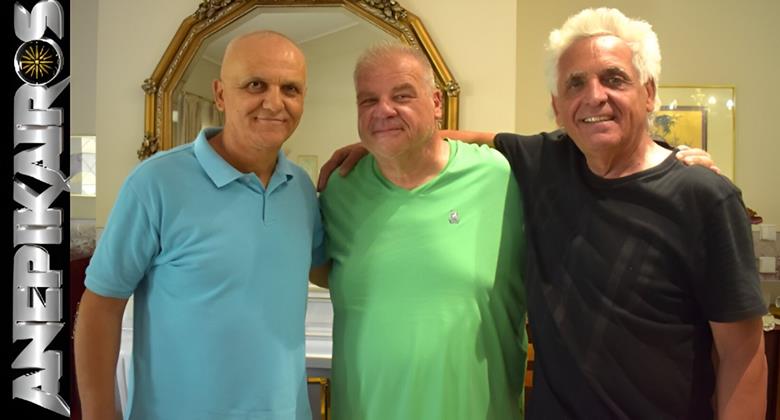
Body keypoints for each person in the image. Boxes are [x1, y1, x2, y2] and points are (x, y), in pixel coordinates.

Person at [320, 8, 767, 419]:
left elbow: (744, 356)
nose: (594, 97)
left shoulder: (703, 196)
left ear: (648, 93)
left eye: (614, 79)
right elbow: (471, 138)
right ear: (557, 106)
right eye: (575, 84)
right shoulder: (543, 163)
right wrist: (383, 141)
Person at [74, 31, 327, 420]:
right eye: (255, 85)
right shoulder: (155, 183)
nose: (275, 102)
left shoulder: (301, 189)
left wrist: (385, 153)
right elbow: (100, 308)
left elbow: (327, 272)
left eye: (290, 89)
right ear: (221, 95)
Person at [314, 43, 528, 419]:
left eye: (402, 96)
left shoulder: (501, 177)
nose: (383, 110)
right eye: (368, 100)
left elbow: (567, 152)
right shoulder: (338, 189)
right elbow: (319, 273)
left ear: (436, 103)